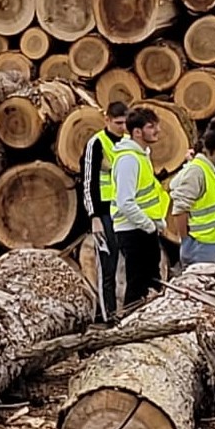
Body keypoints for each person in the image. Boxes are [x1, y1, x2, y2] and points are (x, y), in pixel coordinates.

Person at [109, 107, 168, 307]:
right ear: (137, 132)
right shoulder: (128, 160)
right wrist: (148, 225)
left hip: (144, 229)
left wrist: (156, 222)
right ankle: (131, 326)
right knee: (137, 286)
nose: (157, 130)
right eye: (151, 127)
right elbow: (125, 201)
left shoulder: (142, 156)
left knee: (152, 283)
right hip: (134, 230)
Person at [81, 101, 128, 319]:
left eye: (125, 123)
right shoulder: (96, 144)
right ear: (107, 120)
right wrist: (94, 216)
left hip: (125, 210)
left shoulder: (128, 143)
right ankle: (107, 314)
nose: (122, 127)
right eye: (118, 123)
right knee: (107, 265)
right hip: (105, 212)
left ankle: (126, 310)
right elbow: (88, 182)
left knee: (125, 263)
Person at [168, 122, 215, 266]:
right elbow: (179, 209)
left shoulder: (214, 172)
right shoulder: (197, 171)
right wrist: (186, 242)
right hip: (201, 247)